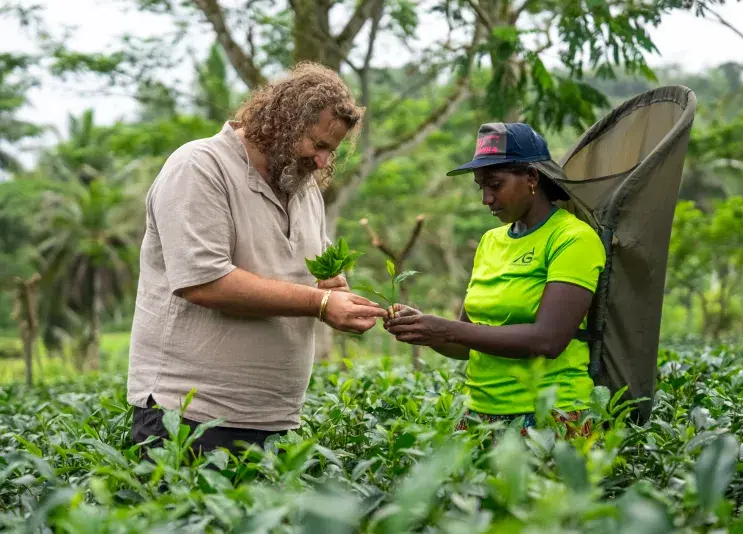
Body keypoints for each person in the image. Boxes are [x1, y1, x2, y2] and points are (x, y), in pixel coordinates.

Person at [127, 62, 387, 455]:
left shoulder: (302, 188)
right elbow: (204, 282)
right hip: (189, 415)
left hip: (274, 418)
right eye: (318, 145)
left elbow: (300, 282)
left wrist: (332, 291)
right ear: (281, 121)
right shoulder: (200, 166)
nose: (321, 162)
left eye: (330, 151)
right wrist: (319, 303)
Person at [384, 122, 605, 438]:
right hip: (481, 415)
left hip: (549, 416)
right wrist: (422, 329)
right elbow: (466, 343)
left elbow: (548, 340)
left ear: (532, 177)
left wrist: (445, 328)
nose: (486, 198)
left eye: (495, 184)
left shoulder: (572, 239)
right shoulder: (491, 241)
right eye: (481, 187)